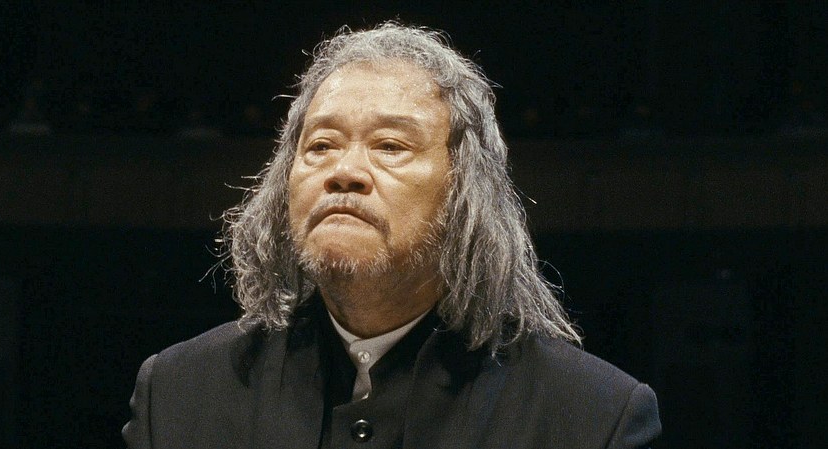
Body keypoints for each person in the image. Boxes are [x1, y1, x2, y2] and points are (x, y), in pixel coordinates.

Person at [123, 23, 661, 449]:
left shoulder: (594, 418)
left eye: (390, 146)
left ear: (465, 194)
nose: (344, 172)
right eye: (321, 146)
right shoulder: (177, 394)